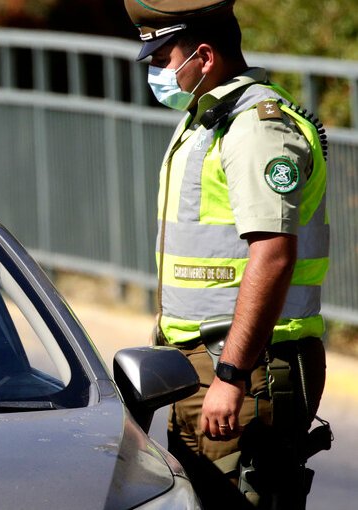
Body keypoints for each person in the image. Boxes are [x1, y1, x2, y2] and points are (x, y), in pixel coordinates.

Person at [123, 1, 330, 508]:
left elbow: (274, 255)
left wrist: (231, 374)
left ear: (205, 55)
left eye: (161, 58)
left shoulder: (256, 127)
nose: (155, 70)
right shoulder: (208, 118)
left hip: (246, 367)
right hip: (199, 366)